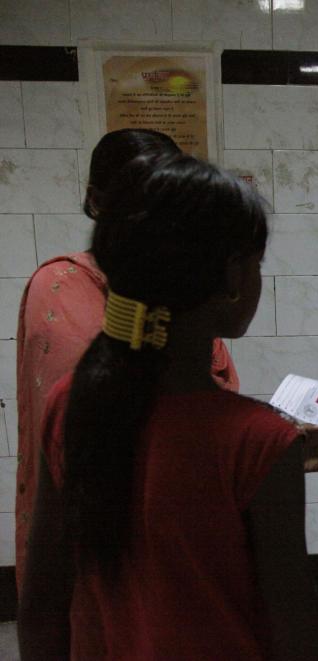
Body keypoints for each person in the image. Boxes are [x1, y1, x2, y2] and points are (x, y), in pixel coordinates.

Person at [18, 153, 318, 660]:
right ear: (233, 280)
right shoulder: (261, 443)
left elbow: (42, 606)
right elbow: (296, 635)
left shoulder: (71, 402)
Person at [14, 129, 240, 593]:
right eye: (139, 200)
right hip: (106, 541)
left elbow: (210, 398)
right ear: (96, 202)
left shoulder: (187, 290)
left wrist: (258, 449)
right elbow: (96, 417)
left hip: (189, 532)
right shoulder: (62, 285)